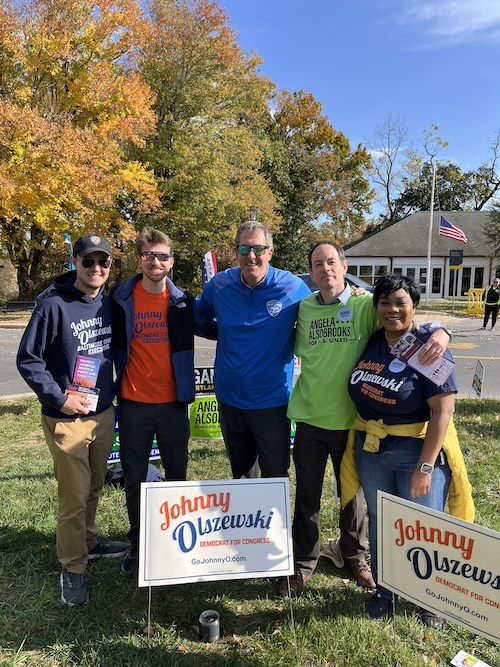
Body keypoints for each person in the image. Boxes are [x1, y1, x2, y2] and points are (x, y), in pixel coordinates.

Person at [280, 242, 452, 596]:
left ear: (344, 267)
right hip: (310, 418)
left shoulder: (363, 304)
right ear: (311, 272)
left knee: (353, 496)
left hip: (352, 423)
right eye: (317, 264)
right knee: (307, 496)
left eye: (331, 262)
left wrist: (441, 331)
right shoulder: (303, 310)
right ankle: (303, 563)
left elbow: (403, 313)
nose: (325, 268)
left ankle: (356, 556)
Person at [341, 273, 474, 628]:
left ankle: (432, 599)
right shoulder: (373, 341)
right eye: (385, 302)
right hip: (372, 451)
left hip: (416, 453)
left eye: (401, 302)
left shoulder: (427, 347)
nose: (392, 309)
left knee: (424, 529)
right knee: (383, 524)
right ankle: (387, 591)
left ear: (414, 307)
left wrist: (426, 467)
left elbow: (443, 410)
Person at [17, 233, 128, 606]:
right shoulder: (52, 306)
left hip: (102, 412)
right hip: (67, 418)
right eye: (88, 261)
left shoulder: (111, 305)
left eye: (104, 262)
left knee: (95, 484)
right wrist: (60, 399)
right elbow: (29, 359)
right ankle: (73, 567)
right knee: (73, 497)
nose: (96, 268)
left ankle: (90, 540)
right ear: (74, 263)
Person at [111, 227, 216, 572]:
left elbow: (218, 326)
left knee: (177, 475)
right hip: (133, 403)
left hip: (174, 404)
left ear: (171, 261)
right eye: (148, 255)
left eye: (162, 256)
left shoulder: (183, 302)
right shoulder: (119, 298)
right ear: (139, 259)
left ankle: (172, 540)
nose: (155, 261)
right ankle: (139, 543)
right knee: (134, 478)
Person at [197, 220, 311, 479]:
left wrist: (357, 295)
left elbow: (326, 309)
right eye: (244, 248)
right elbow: (198, 316)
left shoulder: (292, 288)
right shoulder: (219, 285)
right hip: (229, 399)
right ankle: (248, 520)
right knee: (242, 474)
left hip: (272, 401)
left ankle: (276, 521)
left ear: (270, 252)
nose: (251, 256)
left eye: (259, 249)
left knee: (275, 474)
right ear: (235, 251)